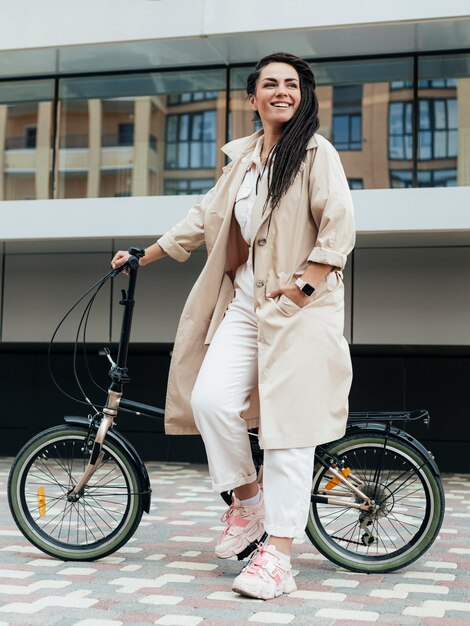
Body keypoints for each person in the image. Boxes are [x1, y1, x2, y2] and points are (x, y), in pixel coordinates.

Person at [112, 52, 355, 600]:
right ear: (253, 98)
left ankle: (281, 557)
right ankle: (248, 504)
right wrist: (142, 255)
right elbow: (202, 219)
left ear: (303, 95)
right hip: (245, 303)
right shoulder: (242, 160)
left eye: (291, 84)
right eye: (270, 84)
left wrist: (301, 290)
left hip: (300, 310)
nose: (282, 91)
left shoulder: (317, 154)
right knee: (211, 401)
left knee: (290, 434)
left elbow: (338, 228)